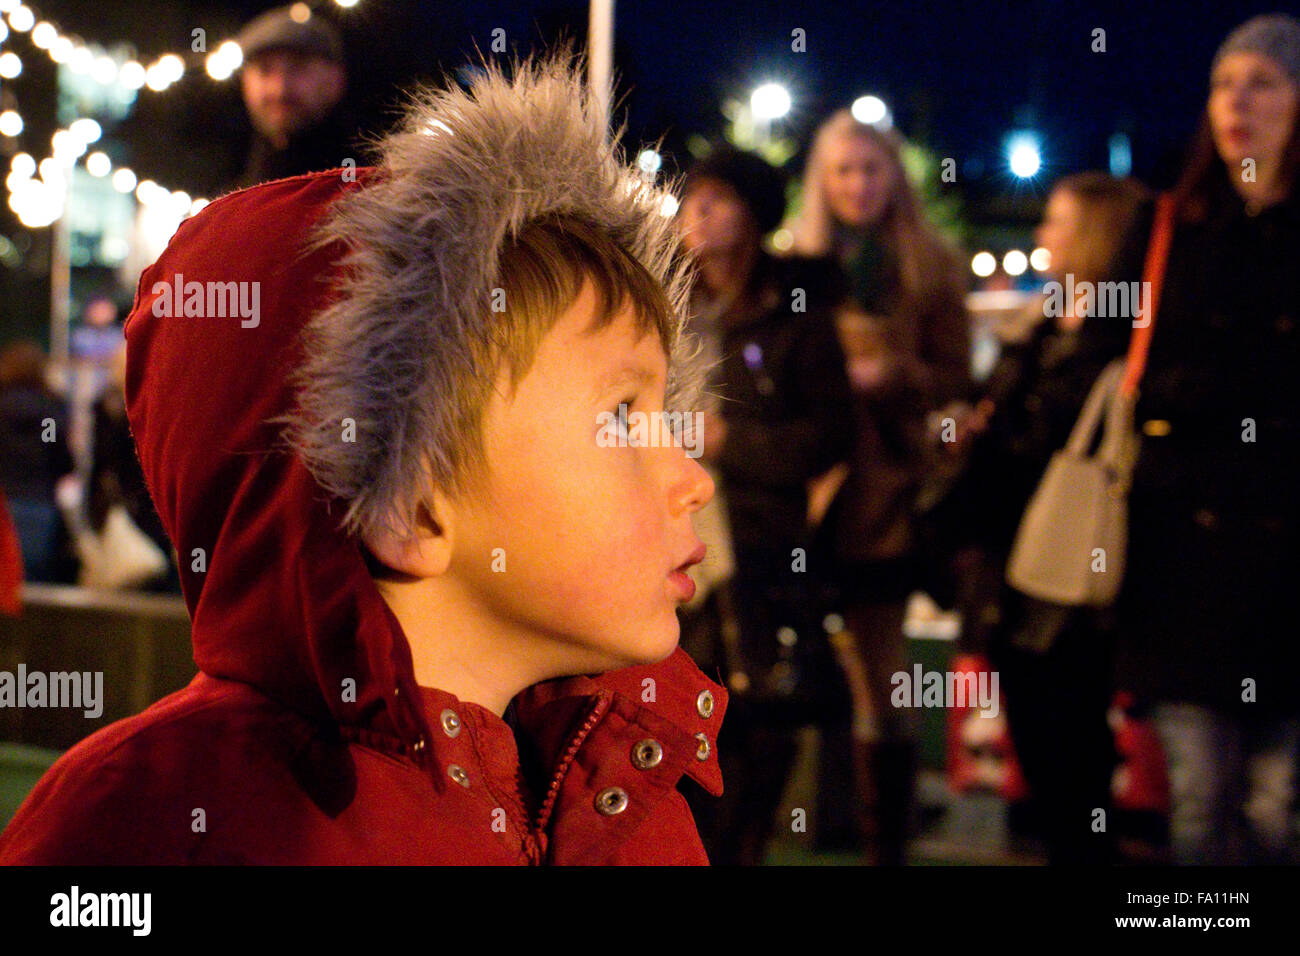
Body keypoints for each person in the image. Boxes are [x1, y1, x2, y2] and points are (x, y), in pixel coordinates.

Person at [0, 54, 729, 865]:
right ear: (412, 503)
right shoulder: (152, 822)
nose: (693, 478)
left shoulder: (625, 802)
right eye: (622, 419)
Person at [1116, 12, 1300, 865]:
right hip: (1183, 556)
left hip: (1283, 560)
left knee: (1273, 805)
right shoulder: (1170, 226)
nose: (1238, 102)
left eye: (1263, 82)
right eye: (1225, 82)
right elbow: (1127, 365)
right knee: (1198, 801)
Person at [949, 173, 1152, 864]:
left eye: (1059, 222)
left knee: (1074, 742)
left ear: (1099, 234)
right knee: (1038, 739)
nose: (1042, 235)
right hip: (1013, 558)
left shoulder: (1124, 340)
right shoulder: (1036, 328)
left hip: (1074, 563)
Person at [790, 110, 971, 861]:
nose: (859, 184)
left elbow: (960, 384)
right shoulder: (798, 266)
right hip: (805, 493)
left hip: (887, 496)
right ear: (821, 182)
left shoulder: (928, 263)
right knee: (804, 663)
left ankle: (882, 841)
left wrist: (899, 374)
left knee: (886, 677)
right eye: (843, 170)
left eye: (871, 168)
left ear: (895, 174)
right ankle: (815, 814)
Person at [676, 147, 853, 864]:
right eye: (694, 197)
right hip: (678, 537)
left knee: (752, 721)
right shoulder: (666, 299)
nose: (698, 211)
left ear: (753, 214)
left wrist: (728, 439)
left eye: (719, 199)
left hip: (761, 546)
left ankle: (745, 845)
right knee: (682, 715)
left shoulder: (793, 311)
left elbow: (828, 433)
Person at [233, 5, 353, 189]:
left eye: (298, 67)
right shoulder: (231, 196)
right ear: (244, 82)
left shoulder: (366, 187)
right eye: (264, 70)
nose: (279, 89)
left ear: (335, 80)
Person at [0, 341, 76, 584]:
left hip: (3, 502)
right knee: (33, 580)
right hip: (39, 502)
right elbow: (58, 453)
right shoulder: (49, 412)